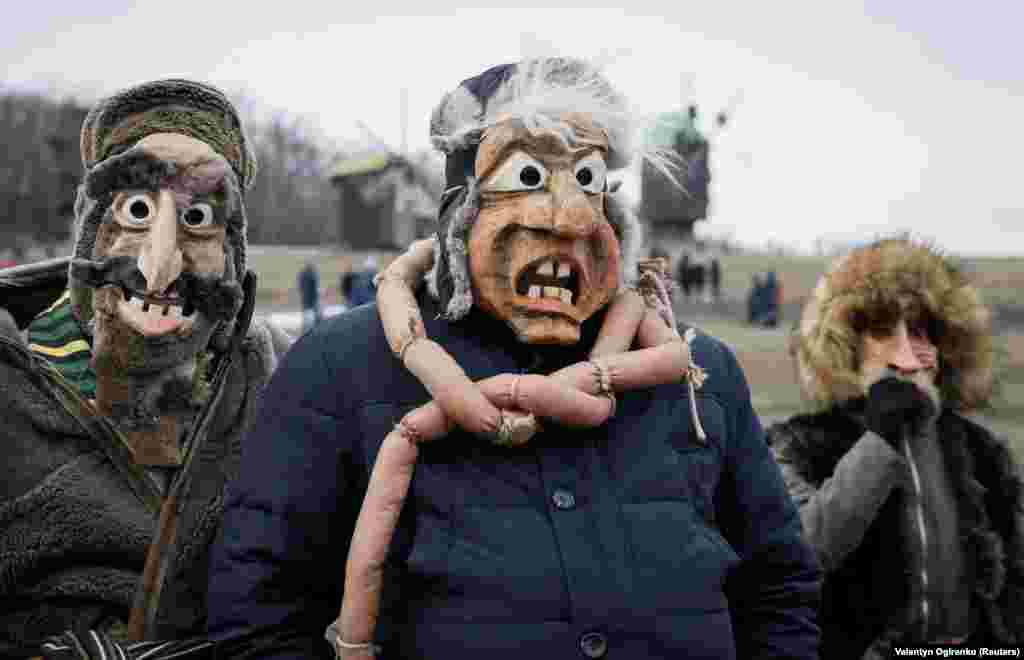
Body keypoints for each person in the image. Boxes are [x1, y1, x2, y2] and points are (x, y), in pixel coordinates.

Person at [206, 57, 820, 660]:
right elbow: (262, 614)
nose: (569, 218)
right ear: (459, 209)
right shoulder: (338, 370)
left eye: (588, 179)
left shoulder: (697, 377)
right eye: (528, 177)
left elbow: (777, 591)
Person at [0, 79, 292, 657]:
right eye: (134, 211)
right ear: (88, 229)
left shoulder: (282, 377)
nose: (159, 268)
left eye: (200, 218)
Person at [767, 237, 1023, 658]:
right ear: (849, 344)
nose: (906, 349)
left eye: (921, 330)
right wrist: (878, 439)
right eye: (884, 330)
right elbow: (805, 552)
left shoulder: (983, 450)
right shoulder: (801, 442)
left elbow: (1015, 573)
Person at [298, 262, 322, 332]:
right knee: (316, 317)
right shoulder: (313, 275)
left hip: (305, 299)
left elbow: (300, 286)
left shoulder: (302, 275)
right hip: (312, 300)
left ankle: (306, 332)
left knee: (307, 318)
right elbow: (315, 288)